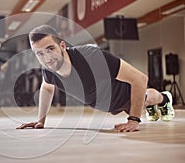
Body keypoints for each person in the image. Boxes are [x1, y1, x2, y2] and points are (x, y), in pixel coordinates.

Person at [16, 25, 175, 132]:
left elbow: (140, 79)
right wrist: (40, 121)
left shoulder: (91, 57)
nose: (47, 58)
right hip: (108, 105)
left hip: (125, 94)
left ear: (62, 46)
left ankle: (164, 99)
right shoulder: (48, 71)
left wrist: (133, 120)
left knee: (147, 98)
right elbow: (47, 87)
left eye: (50, 49)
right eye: (40, 54)